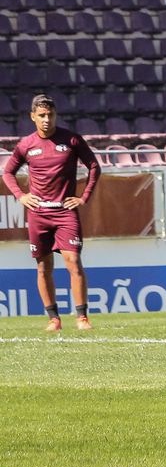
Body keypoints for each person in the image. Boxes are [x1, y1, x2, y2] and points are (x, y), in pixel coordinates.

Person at [3, 94, 101, 332]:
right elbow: (8, 172)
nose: (47, 119)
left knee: (73, 262)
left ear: (56, 115)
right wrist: (21, 196)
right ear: (33, 117)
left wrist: (83, 197)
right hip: (38, 214)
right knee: (43, 267)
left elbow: (94, 166)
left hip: (65, 213)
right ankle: (53, 319)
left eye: (51, 115)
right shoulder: (26, 145)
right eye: (42, 115)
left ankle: (82, 318)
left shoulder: (72, 139)